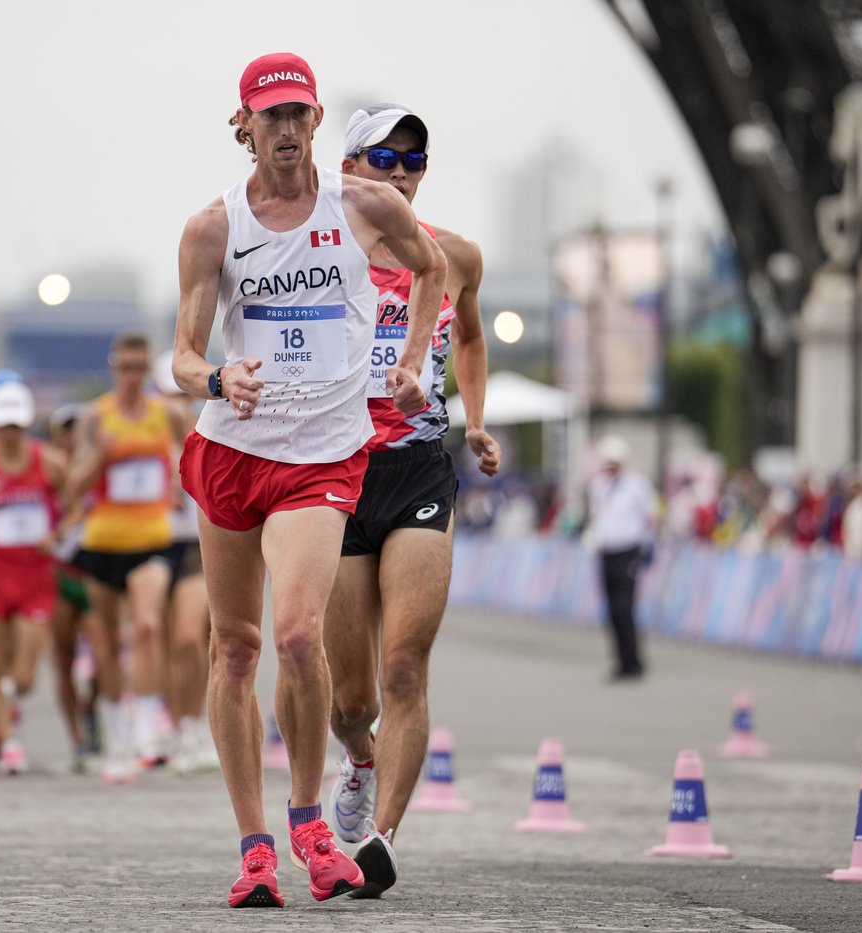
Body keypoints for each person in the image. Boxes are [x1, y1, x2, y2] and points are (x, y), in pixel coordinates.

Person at [172, 52, 446, 908]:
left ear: (318, 120)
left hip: (324, 454)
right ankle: (254, 845)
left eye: (299, 115)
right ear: (243, 124)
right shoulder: (211, 228)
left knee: (297, 637)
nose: (285, 131)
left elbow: (434, 268)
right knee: (234, 647)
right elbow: (182, 356)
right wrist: (220, 379)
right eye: (270, 116)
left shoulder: (362, 205)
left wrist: (410, 364)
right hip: (235, 447)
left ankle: (308, 821)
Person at [323, 103, 501, 898]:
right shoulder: (319, 248)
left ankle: (384, 839)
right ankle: (359, 756)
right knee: (350, 696)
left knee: (404, 664)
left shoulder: (455, 254)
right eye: (382, 159)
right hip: (332, 473)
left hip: (419, 469)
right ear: (350, 166)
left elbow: (467, 336)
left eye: (413, 163)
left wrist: (479, 419)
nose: (399, 174)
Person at [69, 333, 188, 783]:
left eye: (140, 368)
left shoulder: (167, 415)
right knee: (104, 645)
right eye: (126, 368)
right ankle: (117, 737)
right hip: (101, 541)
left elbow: (189, 456)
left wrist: (179, 487)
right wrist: (98, 458)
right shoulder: (94, 417)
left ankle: (145, 729)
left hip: (151, 538)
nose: (134, 377)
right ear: (113, 369)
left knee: (147, 625)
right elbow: (73, 488)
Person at [0, 380, 67, 775]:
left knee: (23, 674)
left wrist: (56, 535)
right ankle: (7, 744)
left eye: (15, 426)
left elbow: (72, 507)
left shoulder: (50, 463)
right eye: (2, 425)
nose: (9, 433)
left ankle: (8, 705)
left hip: (35, 577)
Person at [151, 352, 219, 776]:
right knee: (161, 641)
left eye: (184, 394)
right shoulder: (142, 434)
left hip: (198, 543)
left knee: (192, 638)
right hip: (153, 542)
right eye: (169, 395)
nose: (178, 402)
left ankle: (196, 727)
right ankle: (174, 726)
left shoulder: (209, 428)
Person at [47, 403, 99, 772]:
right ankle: (77, 740)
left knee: (105, 651)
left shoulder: (97, 466)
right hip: (58, 570)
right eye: (64, 430)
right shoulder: (46, 467)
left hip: (94, 569)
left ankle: (94, 705)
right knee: (62, 657)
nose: (70, 437)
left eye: (76, 429)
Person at [586, 436, 655, 681]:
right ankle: (620, 659)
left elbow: (650, 517)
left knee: (625, 607)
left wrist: (648, 547)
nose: (611, 468)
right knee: (612, 609)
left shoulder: (637, 485)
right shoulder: (599, 486)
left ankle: (633, 660)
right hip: (607, 551)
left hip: (629, 550)